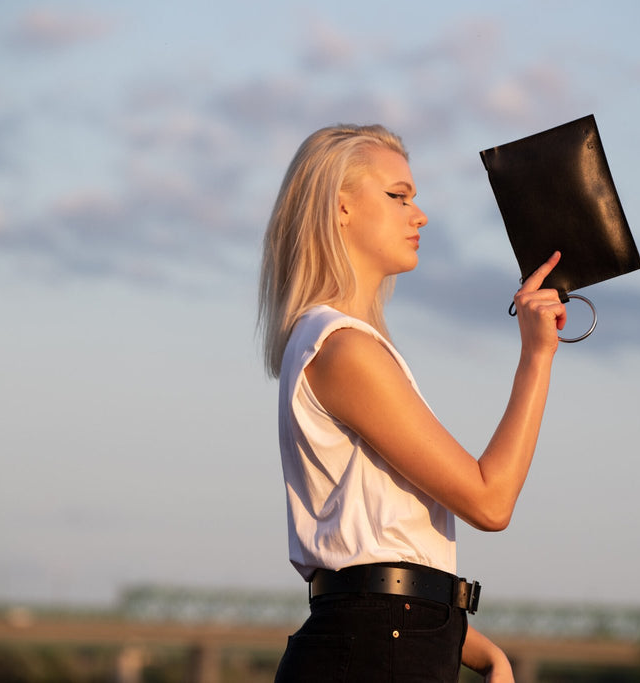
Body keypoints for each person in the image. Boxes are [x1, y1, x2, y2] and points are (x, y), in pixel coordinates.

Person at [258, 123, 566, 682]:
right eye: (398, 196)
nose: (418, 215)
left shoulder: (335, 341)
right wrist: (536, 357)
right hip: (376, 649)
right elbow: (489, 501)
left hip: (386, 642)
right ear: (340, 208)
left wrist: (480, 650)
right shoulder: (344, 349)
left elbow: (380, 559)